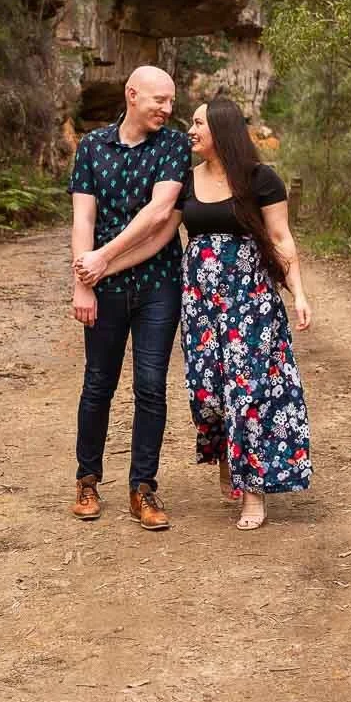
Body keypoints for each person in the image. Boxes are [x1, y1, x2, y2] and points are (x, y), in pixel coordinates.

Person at [92, 95, 312, 530]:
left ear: (221, 130)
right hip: (201, 305)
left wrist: (299, 294)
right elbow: (160, 237)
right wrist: (107, 264)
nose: (189, 131)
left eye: (198, 124)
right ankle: (229, 453)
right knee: (208, 392)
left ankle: (253, 492)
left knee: (248, 393)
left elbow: (281, 238)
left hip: (250, 302)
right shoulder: (187, 180)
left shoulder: (261, 179)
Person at [65, 65, 191, 531]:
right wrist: (84, 282)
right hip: (103, 288)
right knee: (98, 383)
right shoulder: (92, 147)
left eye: (171, 101)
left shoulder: (174, 145)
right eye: (160, 100)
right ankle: (87, 480)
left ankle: (143, 488)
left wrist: (103, 258)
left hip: (159, 284)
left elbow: (160, 215)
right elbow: (83, 219)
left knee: (151, 386)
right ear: (132, 95)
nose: (168, 109)